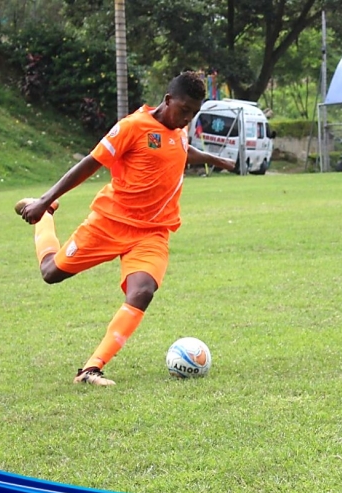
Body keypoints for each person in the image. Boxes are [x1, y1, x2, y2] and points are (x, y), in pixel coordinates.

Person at [15, 71, 236, 385]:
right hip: (110, 223)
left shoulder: (178, 129)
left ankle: (91, 368)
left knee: (143, 291)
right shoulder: (133, 127)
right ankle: (47, 215)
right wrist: (45, 199)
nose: (187, 119)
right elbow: (90, 163)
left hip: (152, 232)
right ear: (168, 100)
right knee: (51, 273)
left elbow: (183, 150)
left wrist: (218, 160)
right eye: (184, 110)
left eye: (193, 113)